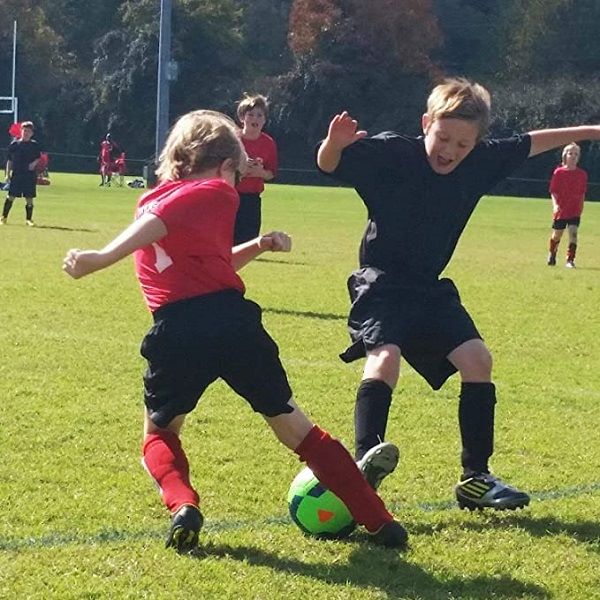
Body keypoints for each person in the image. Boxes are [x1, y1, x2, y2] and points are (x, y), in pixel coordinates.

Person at [62, 109, 407, 554]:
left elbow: (208, 260)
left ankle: (183, 505)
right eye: (237, 171)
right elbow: (161, 219)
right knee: (294, 427)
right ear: (225, 164)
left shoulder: (154, 198)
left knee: (160, 434)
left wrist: (259, 245)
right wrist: (99, 258)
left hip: (178, 331)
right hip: (231, 324)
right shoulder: (214, 193)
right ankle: (380, 522)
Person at [316, 77, 600, 512]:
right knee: (385, 358)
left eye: (463, 145)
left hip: (429, 288)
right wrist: (333, 143)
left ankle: (476, 479)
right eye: (443, 137)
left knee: (477, 360)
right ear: (426, 122)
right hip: (382, 281)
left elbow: (532, 142)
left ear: (477, 143)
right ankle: (365, 461)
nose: (449, 150)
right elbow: (329, 164)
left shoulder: (480, 161)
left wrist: (591, 132)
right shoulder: (395, 153)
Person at [234, 94, 278, 245]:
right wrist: (241, 170)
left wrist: (260, 173)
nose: (255, 119)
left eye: (260, 115)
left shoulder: (268, 143)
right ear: (242, 118)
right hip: (231, 194)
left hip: (252, 197)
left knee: (249, 238)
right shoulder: (233, 140)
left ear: (265, 119)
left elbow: (271, 173)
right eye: (251, 115)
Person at [547, 143, 588, 268]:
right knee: (557, 234)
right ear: (565, 155)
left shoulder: (582, 174)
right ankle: (552, 253)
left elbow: (582, 193)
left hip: (575, 209)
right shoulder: (558, 173)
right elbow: (553, 191)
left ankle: (570, 260)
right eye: (571, 153)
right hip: (561, 209)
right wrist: (555, 206)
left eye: (576, 154)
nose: (573, 156)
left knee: (573, 232)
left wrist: (581, 206)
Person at [1, 121, 41, 226]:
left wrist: (33, 164)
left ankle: (29, 219)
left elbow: (38, 157)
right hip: (17, 174)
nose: (25, 133)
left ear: (32, 133)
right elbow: (9, 160)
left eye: (28, 131)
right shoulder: (15, 145)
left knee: (29, 198)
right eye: (24, 130)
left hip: (29, 175)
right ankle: (3, 217)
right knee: (11, 196)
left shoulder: (34, 145)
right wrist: (7, 174)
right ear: (21, 131)